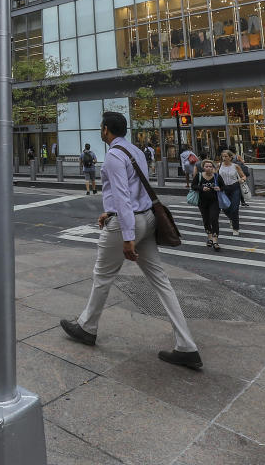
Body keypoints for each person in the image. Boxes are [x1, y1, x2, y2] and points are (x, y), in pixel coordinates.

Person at [60, 112, 202, 369]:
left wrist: (127, 237)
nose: (101, 131)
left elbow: (124, 197)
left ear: (106, 130)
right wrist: (111, 211)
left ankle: (87, 327)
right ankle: (187, 345)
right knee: (161, 281)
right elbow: (136, 191)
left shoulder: (114, 156)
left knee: (102, 275)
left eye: (101, 127)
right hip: (147, 218)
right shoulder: (135, 151)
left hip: (129, 222)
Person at [192, 159, 224, 251]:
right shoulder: (199, 176)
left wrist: (219, 188)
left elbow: (223, 186)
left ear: (213, 167)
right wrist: (202, 188)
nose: (209, 168)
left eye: (210, 166)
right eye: (206, 166)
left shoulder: (217, 176)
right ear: (203, 167)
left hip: (215, 201)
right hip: (202, 202)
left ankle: (215, 240)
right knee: (206, 219)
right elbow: (193, 186)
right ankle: (209, 237)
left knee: (214, 219)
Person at [218, 150, 246, 234]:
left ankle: (235, 228)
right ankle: (231, 218)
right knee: (225, 208)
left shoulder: (235, 166)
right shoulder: (219, 166)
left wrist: (242, 179)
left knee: (234, 208)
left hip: (234, 187)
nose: (224, 158)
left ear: (230, 157)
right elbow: (215, 176)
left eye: (226, 156)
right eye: (223, 156)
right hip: (223, 188)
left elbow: (243, 176)